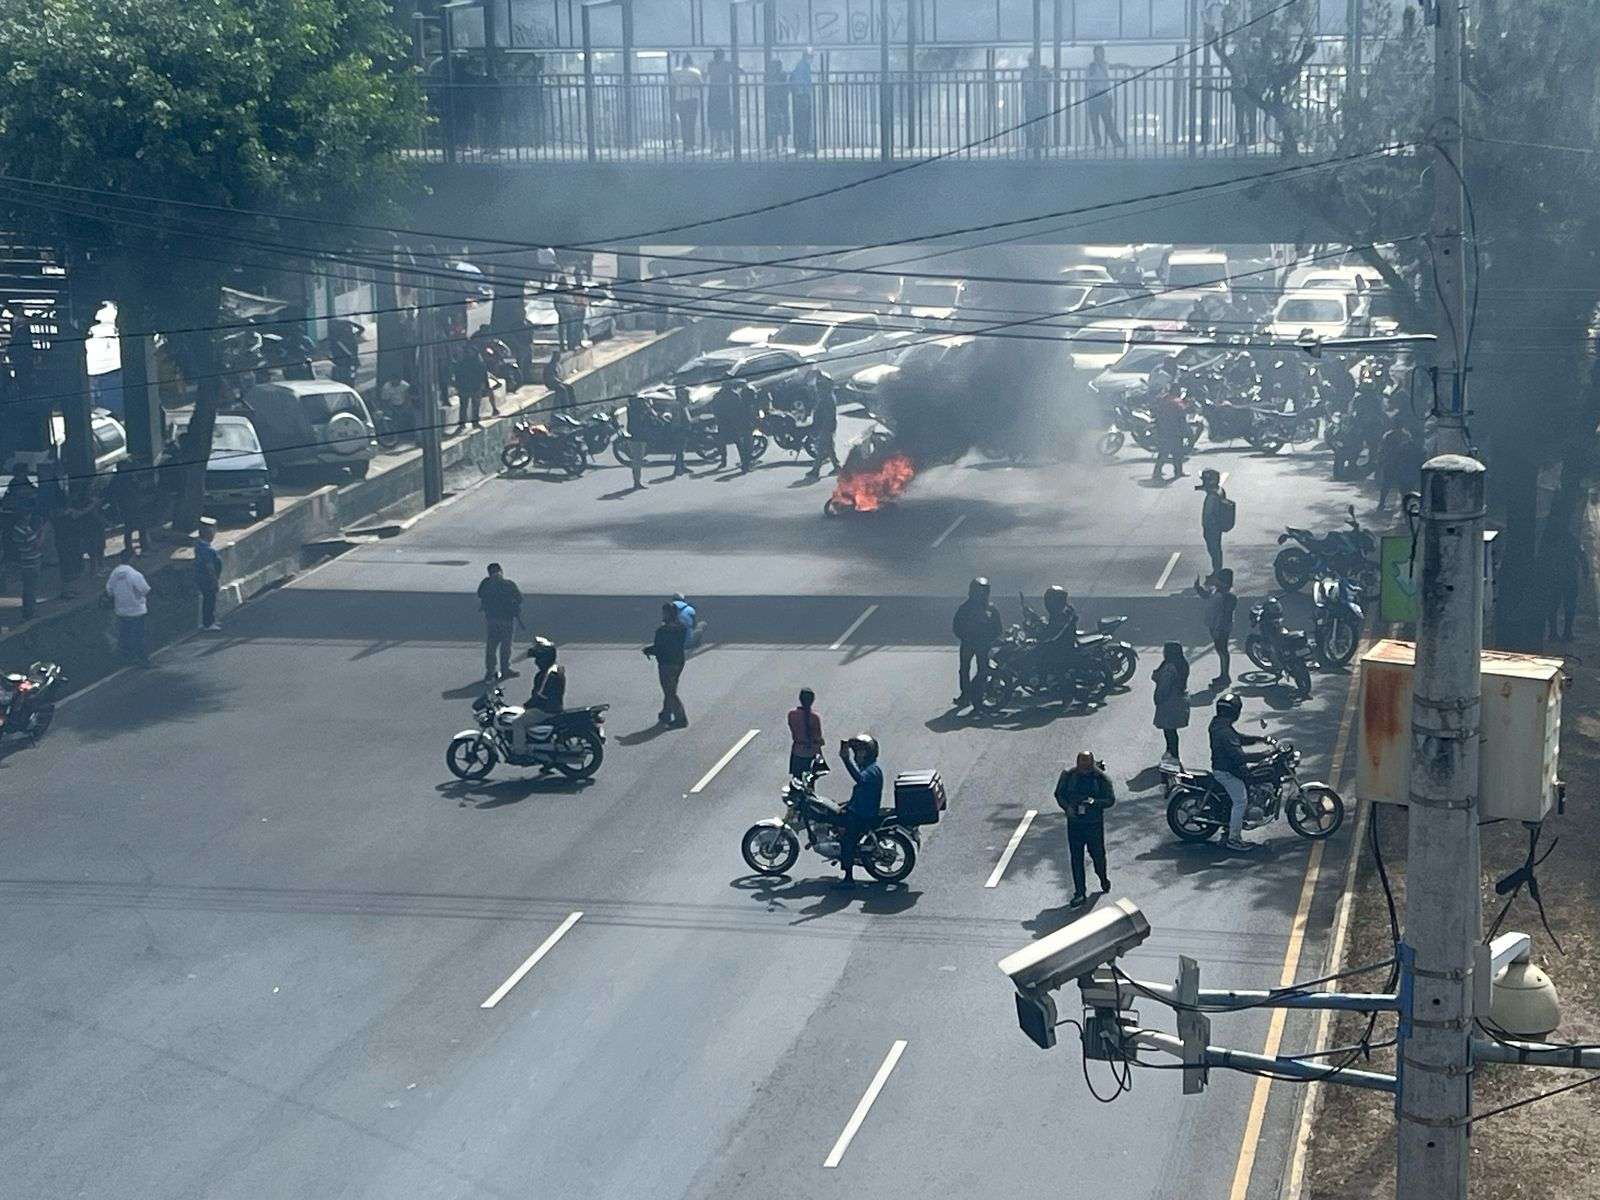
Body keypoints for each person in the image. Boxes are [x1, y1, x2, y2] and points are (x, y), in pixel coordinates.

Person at [1210, 692, 1271, 851]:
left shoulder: (1219, 724)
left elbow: (1238, 738)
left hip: (1227, 768)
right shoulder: (1224, 731)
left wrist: (1260, 739)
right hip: (1226, 772)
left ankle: (1231, 826)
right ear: (1235, 712)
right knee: (1241, 801)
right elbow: (1239, 757)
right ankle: (1234, 840)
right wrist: (1263, 755)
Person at [1055, 751, 1115, 906]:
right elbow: (1059, 794)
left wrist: (1094, 802)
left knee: (1098, 856)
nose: (1084, 767)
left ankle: (1103, 878)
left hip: (1093, 824)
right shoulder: (1069, 776)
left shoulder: (1100, 778)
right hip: (1075, 824)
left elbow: (1110, 800)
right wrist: (1067, 807)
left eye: (1087, 763)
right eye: (1081, 763)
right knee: (1076, 859)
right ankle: (1080, 892)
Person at [837, 733, 883, 886]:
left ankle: (848, 879)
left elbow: (860, 779)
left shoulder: (871, 771)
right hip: (860, 808)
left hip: (863, 814)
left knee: (846, 839)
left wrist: (846, 759)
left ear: (868, 753)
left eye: (860, 751)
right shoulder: (870, 768)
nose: (857, 755)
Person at [952, 576, 1002, 709]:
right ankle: (965, 696)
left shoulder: (991, 609)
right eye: (979, 591)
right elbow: (957, 626)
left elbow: (998, 627)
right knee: (964, 669)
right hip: (968, 644)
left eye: (984, 591)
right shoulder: (965, 608)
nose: (981, 594)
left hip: (983, 645)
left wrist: (990, 639)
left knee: (983, 670)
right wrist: (965, 637)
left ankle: (978, 696)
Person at [510, 637, 566, 755]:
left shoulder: (547, 675)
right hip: (552, 706)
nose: (536, 661)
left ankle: (519, 751)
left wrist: (527, 705)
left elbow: (539, 695)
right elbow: (529, 653)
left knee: (517, 722)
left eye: (538, 657)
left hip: (546, 709)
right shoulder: (554, 669)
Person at [1538, 516, 1589, 643]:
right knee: (1569, 605)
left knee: (1553, 605)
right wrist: (1585, 571)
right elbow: (1582, 555)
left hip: (1555, 577)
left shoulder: (1549, 541)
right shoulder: (1572, 539)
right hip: (1569, 576)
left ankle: (1554, 632)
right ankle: (1567, 632)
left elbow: (1542, 559)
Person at [643, 601, 689, 727]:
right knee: (671, 688)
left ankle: (680, 719)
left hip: (666, 663)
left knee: (669, 691)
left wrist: (648, 650)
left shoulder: (662, 631)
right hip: (678, 661)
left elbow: (660, 648)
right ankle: (666, 713)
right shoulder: (682, 628)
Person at [477, 561, 524, 682]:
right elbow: (520, 598)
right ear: (501, 571)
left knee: (491, 646)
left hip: (492, 619)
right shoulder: (508, 584)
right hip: (506, 619)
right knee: (506, 647)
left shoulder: (486, 584)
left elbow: (480, 594)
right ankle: (505, 670)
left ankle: (490, 672)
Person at [106, 548, 151, 665]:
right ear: (132, 559)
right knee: (139, 636)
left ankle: (127, 658)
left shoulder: (114, 574)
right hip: (137, 611)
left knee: (124, 635)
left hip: (121, 611)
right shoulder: (135, 574)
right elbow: (145, 590)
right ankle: (143, 659)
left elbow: (109, 590)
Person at [1193, 567, 1237, 688]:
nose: (1216, 581)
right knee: (1220, 650)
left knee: (1223, 651)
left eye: (1219, 579)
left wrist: (1218, 628)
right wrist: (1198, 588)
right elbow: (1206, 596)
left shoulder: (1229, 596)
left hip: (1221, 628)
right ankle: (1223, 675)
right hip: (1214, 625)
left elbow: (1225, 615)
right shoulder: (1216, 590)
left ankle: (1225, 675)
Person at [1152, 641, 1191, 765]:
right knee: (1171, 731)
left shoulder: (1169, 667)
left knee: (1169, 732)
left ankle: (1174, 755)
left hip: (1170, 702)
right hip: (1179, 700)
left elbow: (1164, 686)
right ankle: (1172, 753)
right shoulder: (1182, 664)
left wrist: (1158, 698)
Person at [1149, 368, 1190, 481]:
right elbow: (1182, 418)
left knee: (1163, 452)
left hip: (1163, 429)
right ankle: (1178, 471)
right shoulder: (1178, 403)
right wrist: (1186, 431)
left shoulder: (1163, 399)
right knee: (1177, 452)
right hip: (1175, 431)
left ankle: (1157, 472)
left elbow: (1156, 412)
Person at [801, 370, 840, 478]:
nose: (817, 387)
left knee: (821, 448)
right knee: (828, 447)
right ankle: (837, 466)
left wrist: (820, 427)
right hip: (826, 426)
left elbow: (826, 415)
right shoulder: (826, 397)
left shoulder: (827, 399)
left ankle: (816, 470)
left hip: (826, 426)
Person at [1197, 467, 1234, 578]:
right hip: (1216, 527)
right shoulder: (1219, 490)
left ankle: (1217, 572)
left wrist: (1207, 526)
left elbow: (1209, 514)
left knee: (1213, 550)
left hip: (1212, 528)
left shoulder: (1212, 496)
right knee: (1216, 549)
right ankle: (1217, 570)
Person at [1086, 45, 1125, 150]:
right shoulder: (1093, 66)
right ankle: (1102, 143)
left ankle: (1114, 142)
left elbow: (1114, 66)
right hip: (1096, 96)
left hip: (1102, 96)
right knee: (1098, 122)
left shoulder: (1103, 65)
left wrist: (1126, 66)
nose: (1101, 55)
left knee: (1107, 120)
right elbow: (1090, 81)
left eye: (1102, 52)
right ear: (1095, 54)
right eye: (1099, 53)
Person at [711, 378, 752, 471]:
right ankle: (743, 462)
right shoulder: (734, 395)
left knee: (723, 442)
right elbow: (740, 409)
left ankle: (723, 460)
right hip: (733, 422)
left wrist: (718, 417)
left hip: (723, 422)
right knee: (738, 442)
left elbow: (714, 408)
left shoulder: (718, 395)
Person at [9, 509, 42, 621]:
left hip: (25, 561)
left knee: (27, 588)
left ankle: (27, 611)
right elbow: (36, 544)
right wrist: (40, 533)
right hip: (31, 562)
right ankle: (30, 612)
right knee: (31, 589)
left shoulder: (17, 530)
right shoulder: (25, 531)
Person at [451, 344, 491, 433]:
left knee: (475, 406)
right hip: (465, 387)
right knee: (464, 406)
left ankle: (475, 422)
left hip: (475, 387)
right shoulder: (462, 363)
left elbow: (484, 375)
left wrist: (486, 386)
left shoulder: (479, 363)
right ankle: (462, 424)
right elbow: (458, 375)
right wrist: (458, 385)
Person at [787, 687, 824, 777]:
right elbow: (818, 736)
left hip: (797, 750)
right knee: (810, 777)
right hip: (811, 751)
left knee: (796, 777)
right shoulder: (814, 717)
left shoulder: (792, 714)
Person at [625, 392, 659, 490]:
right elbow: (642, 418)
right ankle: (637, 482)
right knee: (637, 461)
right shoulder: (634, 411)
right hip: (636, 437)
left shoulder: (636, 409)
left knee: (638, 460)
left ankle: (637, 481)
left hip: (640, 436)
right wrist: (647, 408)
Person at [194, 518, 223, 631]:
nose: (213, 535)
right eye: (212, 533)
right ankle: (208, 623)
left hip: (203, 577)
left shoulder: (200, 546)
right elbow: (209, 566)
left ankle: (208, 620)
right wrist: (214, 580)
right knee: (210, 600)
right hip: (207, 579)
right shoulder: (206, 549)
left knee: (208, 599)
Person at [671, 54, 703, 152]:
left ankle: (685, 144)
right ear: (691, 63)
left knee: (683, 123)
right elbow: (701, 84)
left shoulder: (675, 72)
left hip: (679, 99)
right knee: (691, 123)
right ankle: (692, 144)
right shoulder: (695, 72)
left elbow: (672, 84)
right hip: (692, 99)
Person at [1022, 52, 1052, 155]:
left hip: (1040, 98)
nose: (1032, 63)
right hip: (1030, 99)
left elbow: (1050, 77)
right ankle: (1030, 142)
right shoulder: (1025, 71)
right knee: (1030, 121)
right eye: (1030, 61)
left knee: (1041, 121)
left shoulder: (1043, 69)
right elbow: (1024, 84)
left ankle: (1039, 142)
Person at [705, 48, 735, 152]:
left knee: (716, 121)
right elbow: (739, 72)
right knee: (724, 120)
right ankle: (726, 144)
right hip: (723, 96)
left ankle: (719, 144)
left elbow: (706, 75)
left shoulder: (711, 64)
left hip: (714, 96)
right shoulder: (727, 64)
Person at [790, 51, 815, 154]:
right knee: (803, 121)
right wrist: (803, 95)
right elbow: (801, 82)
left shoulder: (801, 66)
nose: (812, 59)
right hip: (802, 97)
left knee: (802, 121)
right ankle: (803, 144)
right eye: (811, 56)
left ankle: (803, 143)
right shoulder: (802, 66)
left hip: (802, 97)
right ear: (807, 57)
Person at [664, 386, 692, 478]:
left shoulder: (683, 404)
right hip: (679, 429)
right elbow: (676, 418)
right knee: (679, 450)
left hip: (683, 428)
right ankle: (677, 468)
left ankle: (682, 466)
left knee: (682, 449)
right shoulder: (676, 404)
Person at [765, 56, 791, 151]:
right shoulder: (773, 76)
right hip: (777, 103)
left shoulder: (781, 75)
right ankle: (778, 146)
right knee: (776, 124)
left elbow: (781, 88)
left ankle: (783, 146)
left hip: (780, 103)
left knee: (781, 124)